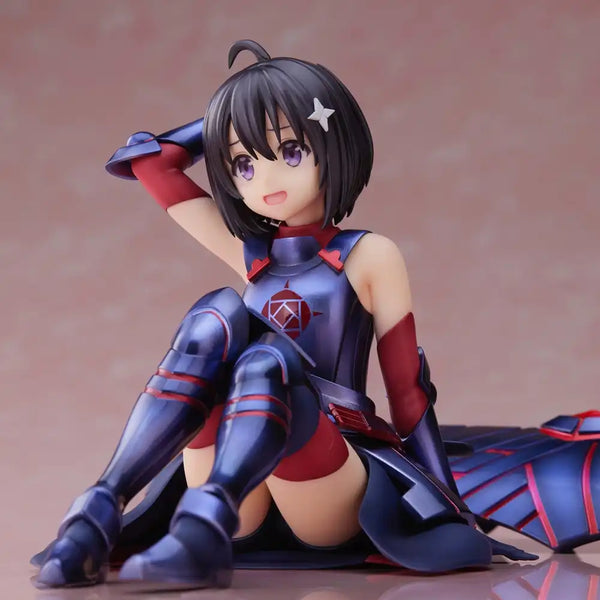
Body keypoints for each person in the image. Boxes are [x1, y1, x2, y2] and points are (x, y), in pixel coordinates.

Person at [35, 39, 532, 590]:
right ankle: (99, 511)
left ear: (333, 142)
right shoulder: (253, 257)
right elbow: (151, 163)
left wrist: (445, 505)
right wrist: (233, 115)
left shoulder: (368, 255)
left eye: (290, 151)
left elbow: (408, 391)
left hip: (324, 475)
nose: (265, 181)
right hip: (238, 492)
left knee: (266, 360)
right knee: (215, 313)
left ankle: (200, 527)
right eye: (243, 164)